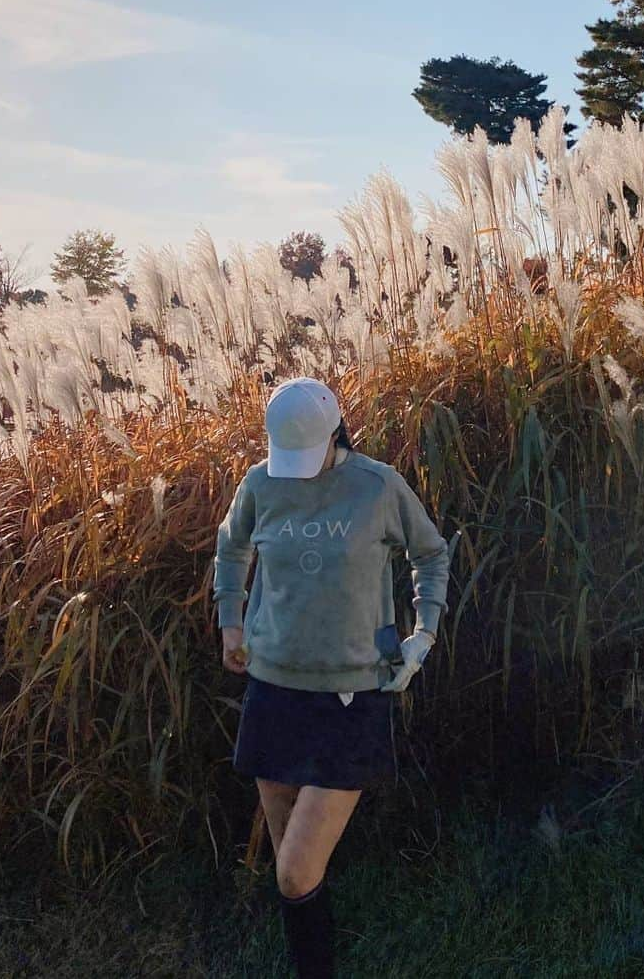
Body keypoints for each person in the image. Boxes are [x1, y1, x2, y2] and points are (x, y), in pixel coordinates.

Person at [212, 376, 454, 978]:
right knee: (291, 868)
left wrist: (421, 636)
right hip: (271, 686)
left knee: (294, 871)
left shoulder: (375, 487)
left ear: (335, 431)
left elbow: (431, 553)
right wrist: (231, 623)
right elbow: (232, 547)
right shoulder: (261, 484)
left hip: (351, 693)